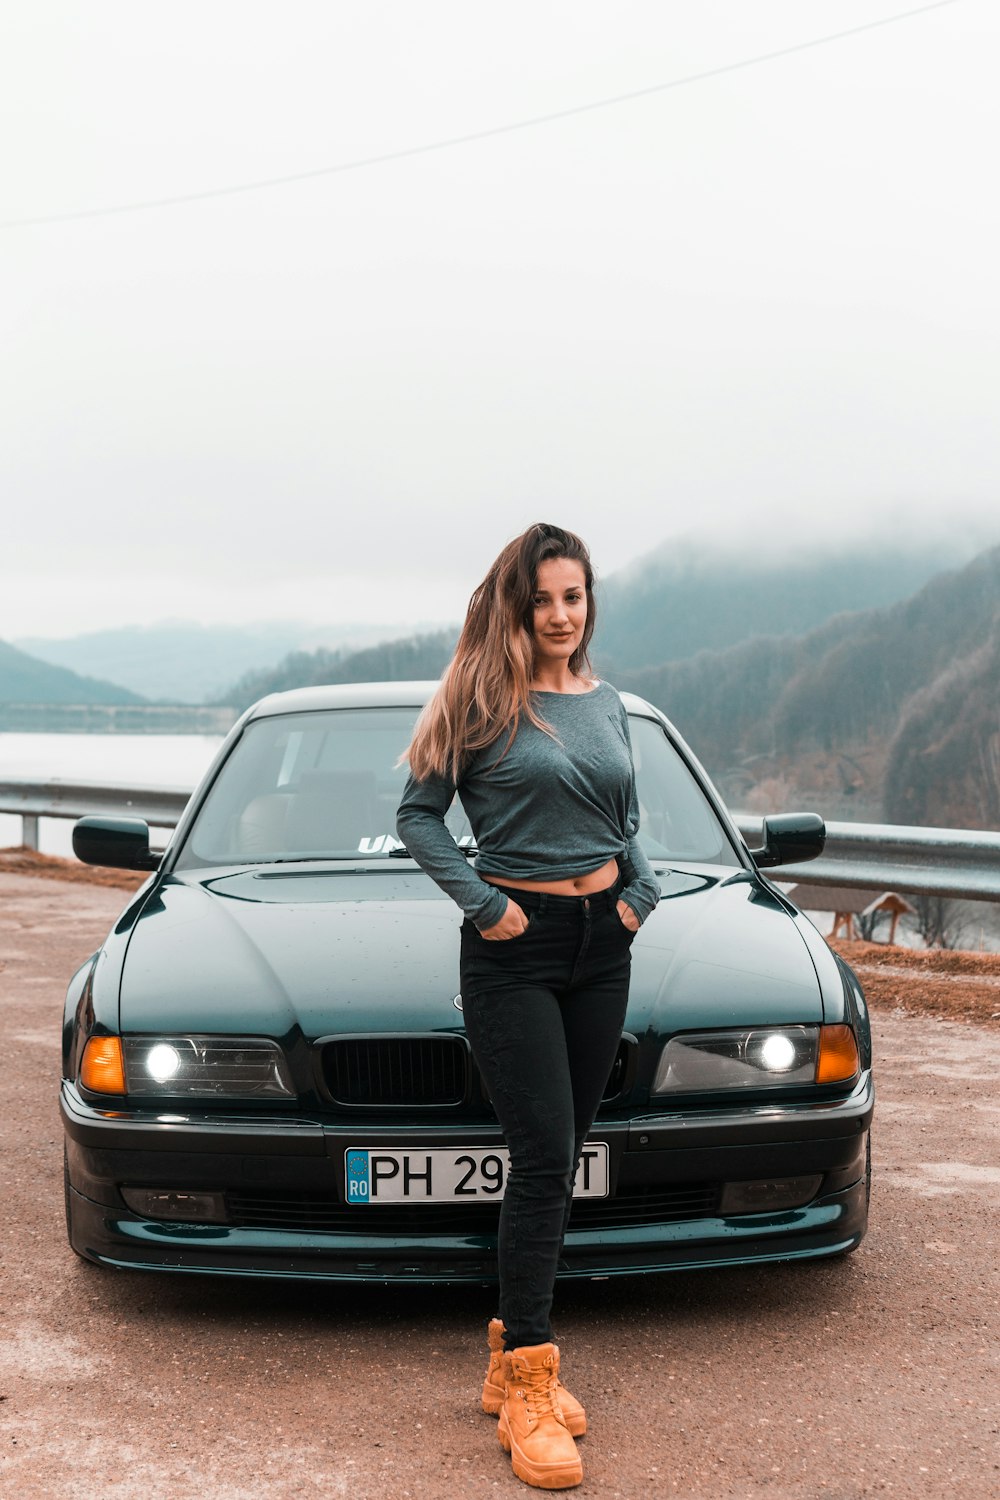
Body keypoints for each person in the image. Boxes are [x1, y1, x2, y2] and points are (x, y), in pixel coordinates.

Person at [396, 522, 660, 1491]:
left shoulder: (609, 704)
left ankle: (508, 1350)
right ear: (518, 603)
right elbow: (417, 817)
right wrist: (481, 902)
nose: (559, 615)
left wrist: (643, 888)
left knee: (563, 1148)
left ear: (589, 605)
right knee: (546, 1154)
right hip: (512, 951)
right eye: (543, 598)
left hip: (604, 945)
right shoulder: (479, 699)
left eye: (574, 598)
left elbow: (621, 817)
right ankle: (532, 1383)